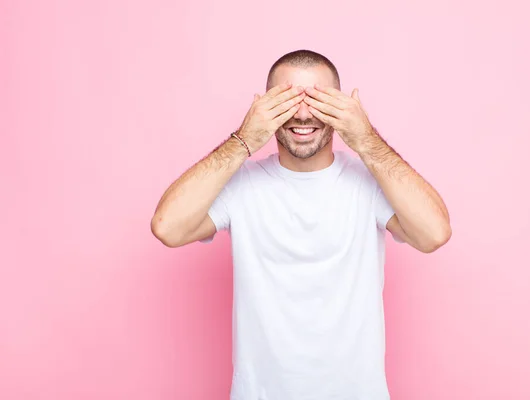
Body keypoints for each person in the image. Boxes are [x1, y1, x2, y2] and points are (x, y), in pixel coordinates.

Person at [151, 49, 451, 400]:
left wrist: (366, 139)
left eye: (319, 101)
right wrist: (244, 139)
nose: (304, 114)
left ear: (342, 107)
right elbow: (167, 227)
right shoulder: (241, 185)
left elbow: (434, 233)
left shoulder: (369, 184)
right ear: (263, 106)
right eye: (288, 100)